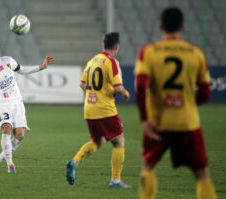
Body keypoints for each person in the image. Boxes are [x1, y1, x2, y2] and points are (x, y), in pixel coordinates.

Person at [134, 7, 217, 199]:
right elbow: (205, 93)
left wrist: (145, 119)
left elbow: (139, 87)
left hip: (158, 122)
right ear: (182, 26)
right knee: (202, 173)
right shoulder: (196, 54)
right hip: (187, 122)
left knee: (148, 166)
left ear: (161, 26)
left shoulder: (148, 52)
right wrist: (186, 103)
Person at [65, 32, 132, 188]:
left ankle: (74, 162)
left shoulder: (92, 61)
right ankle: (115, 180)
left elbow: (82, 84)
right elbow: (118, 87)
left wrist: (94, 93)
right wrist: (126, 93)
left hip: (89, 107)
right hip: (105, 109)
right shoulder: (112, 62)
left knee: (98, 141)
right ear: (117, 47)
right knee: (119, 141)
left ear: (103, 45)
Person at [0, 39, 54, 174]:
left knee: (20, 135)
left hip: (17, 102)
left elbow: (22, 70)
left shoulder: (8, 60)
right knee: (6, 129)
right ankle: (10, 165)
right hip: (2, 103)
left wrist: (41, 67)